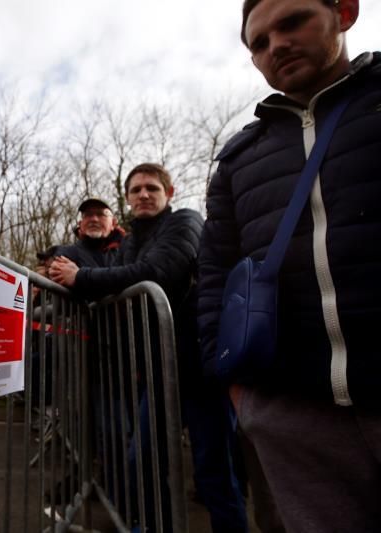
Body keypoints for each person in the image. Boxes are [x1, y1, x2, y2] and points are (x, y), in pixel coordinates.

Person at [197, 1, 380, 531]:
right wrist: (239, 389)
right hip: (293, 415)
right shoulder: (238, 158)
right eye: (258, 42)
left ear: (343, 12)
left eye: (292, 21)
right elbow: (215, 273)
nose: (274, 44)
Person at [51, 163, 246, 533]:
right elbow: (113, 284)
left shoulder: (185, 222)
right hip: (157, 372)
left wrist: (82, 277)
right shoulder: (128, 243)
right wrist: (68, 277)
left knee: (214, 471)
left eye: (152, 188)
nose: (143, 194)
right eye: (136, 189)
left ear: (168, 194)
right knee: (140, 461)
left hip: (199, 368)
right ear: (127, 198)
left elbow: (159, 272)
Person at [52, 198, 125, 271]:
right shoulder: (67, 254)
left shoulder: (128, 250)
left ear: (113, 223)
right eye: (88, 214)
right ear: (80, 224)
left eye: (100, 214)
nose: (94, 219)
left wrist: (77, 275)